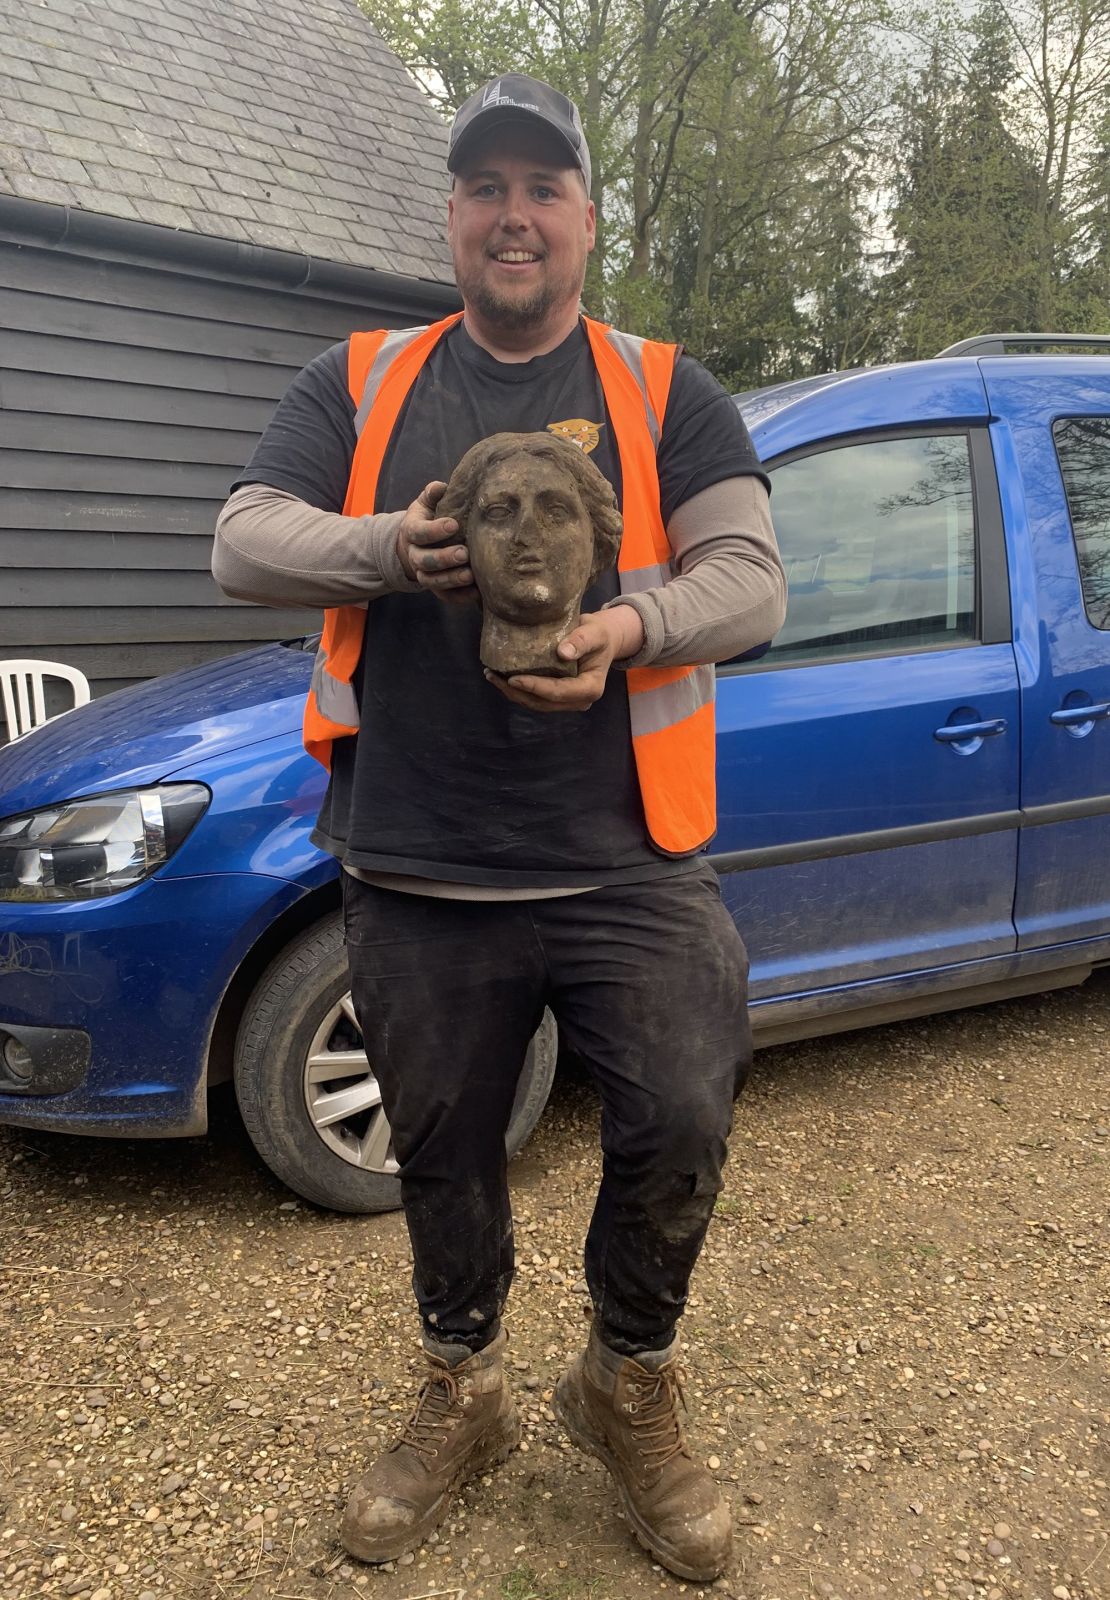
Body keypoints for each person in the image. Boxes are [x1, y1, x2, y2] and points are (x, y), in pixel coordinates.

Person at [212, 72, 786, 1584]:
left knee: (679, 1120)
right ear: (453, 217)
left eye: (544, 187)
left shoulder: (668, 390)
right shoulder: (363, 381)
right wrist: (387, 550)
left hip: (627, 862)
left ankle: (625, 1378)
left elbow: (754, 580)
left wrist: (629, 625)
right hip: (414, 856)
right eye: (487, 189)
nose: (514, 214)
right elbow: (240, 541)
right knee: (444, 1147)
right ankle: (462, 1383)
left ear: (585, 218)